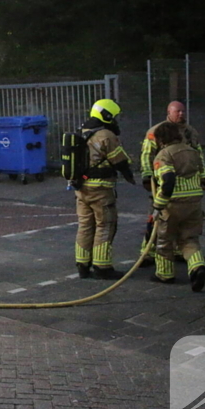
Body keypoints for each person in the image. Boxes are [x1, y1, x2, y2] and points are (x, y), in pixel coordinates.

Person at [139, 101, 205, 265]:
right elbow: (147, 155)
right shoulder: (157, 131)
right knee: (157, 219)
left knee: (181, 221)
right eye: (177, 111)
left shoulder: (190, 132)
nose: (181, 114)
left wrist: (204, 177)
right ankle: (148, 252)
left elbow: (199, 156)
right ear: (169, 112)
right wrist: (147, 176)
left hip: (186, 185)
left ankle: (178, 251)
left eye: (183, 111)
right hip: (163, 182)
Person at [75, 99, 135, 279]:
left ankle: (82, 264)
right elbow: (120, 161)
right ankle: (102, 267)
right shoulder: (106, 135)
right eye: (114, 117)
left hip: (81, 188)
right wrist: (130, 175)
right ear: (106, 116)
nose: (115, 120)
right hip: (100, 189)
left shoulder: (81, 131)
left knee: (85, 225)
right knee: (106, 224)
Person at [149, 121, 205, 291]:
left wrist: (158, 206)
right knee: (189, 239)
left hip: (173, 204)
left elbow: (168, 181)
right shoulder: (192, 151)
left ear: (161, 139)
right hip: (194, 202)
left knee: (165, 240)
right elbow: (203, 175)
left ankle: (164, 274)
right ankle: (197, 267)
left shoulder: (164, 155)